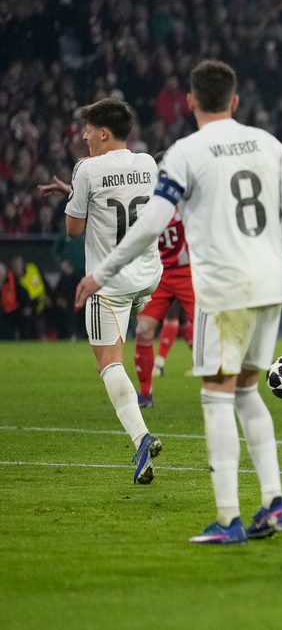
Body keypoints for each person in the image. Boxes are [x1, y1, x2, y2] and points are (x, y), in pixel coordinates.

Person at [75, 60, 282, 544]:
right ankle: (274, 504)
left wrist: (101, 271)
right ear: (236, 101)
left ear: (189, 102)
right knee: (246, 392)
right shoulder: (269, 142)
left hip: (223, 286)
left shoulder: (186, 150)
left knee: (216, 398)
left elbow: (150, 223)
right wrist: (267, 253)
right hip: (269, 281)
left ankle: (229, 520)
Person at [38, 98, 164, 484]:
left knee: (108, 362)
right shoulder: (147, 163)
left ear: (104, 133)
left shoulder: (86, 169)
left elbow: (74, 230)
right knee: (140, 334)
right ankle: (152, 371)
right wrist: (78, 192)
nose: (84, 136)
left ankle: (141, 439)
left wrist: (78, 192)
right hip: (149, 276)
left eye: (89, 129)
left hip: (110, 284)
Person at [133, 149, 196, 407]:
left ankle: (229, 392)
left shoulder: (187, 198)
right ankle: (146, 395)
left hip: (189, 272)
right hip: (158, 273)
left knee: (210, 331)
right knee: (143, 330)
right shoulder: (144, 200)